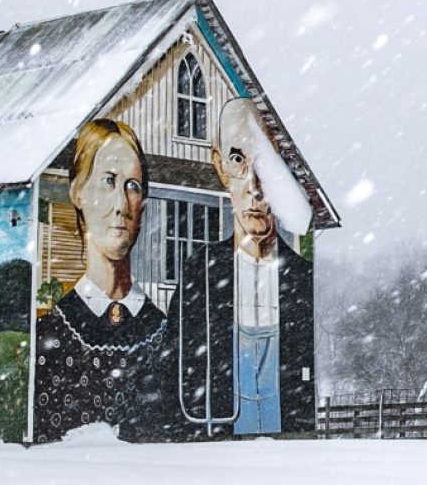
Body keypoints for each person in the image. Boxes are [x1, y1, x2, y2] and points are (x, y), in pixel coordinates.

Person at [172, 98, 315, 437]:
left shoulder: (302, 280)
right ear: (220, 166)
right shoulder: (201, 273)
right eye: (238, 160)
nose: (254, 186)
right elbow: (179, 367)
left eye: (265, 165)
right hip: (220, 444)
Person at [33, 119, 172, 443]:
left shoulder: (164, 332)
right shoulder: (51, 338)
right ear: (78, 192)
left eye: (133, 186)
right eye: (108, 182)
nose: (121, 205)